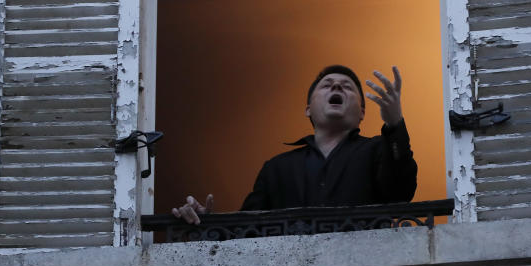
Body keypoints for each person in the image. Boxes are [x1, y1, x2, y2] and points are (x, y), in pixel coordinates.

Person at [172, 64, 417, 224]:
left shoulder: (377, 150)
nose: (336, 86)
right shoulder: (276, 169)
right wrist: (206, 224)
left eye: (347, 87)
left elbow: (400, 193)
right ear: (308, 109)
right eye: (327, 84)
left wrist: (394, 124)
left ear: (362, 112)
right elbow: (247, 231)